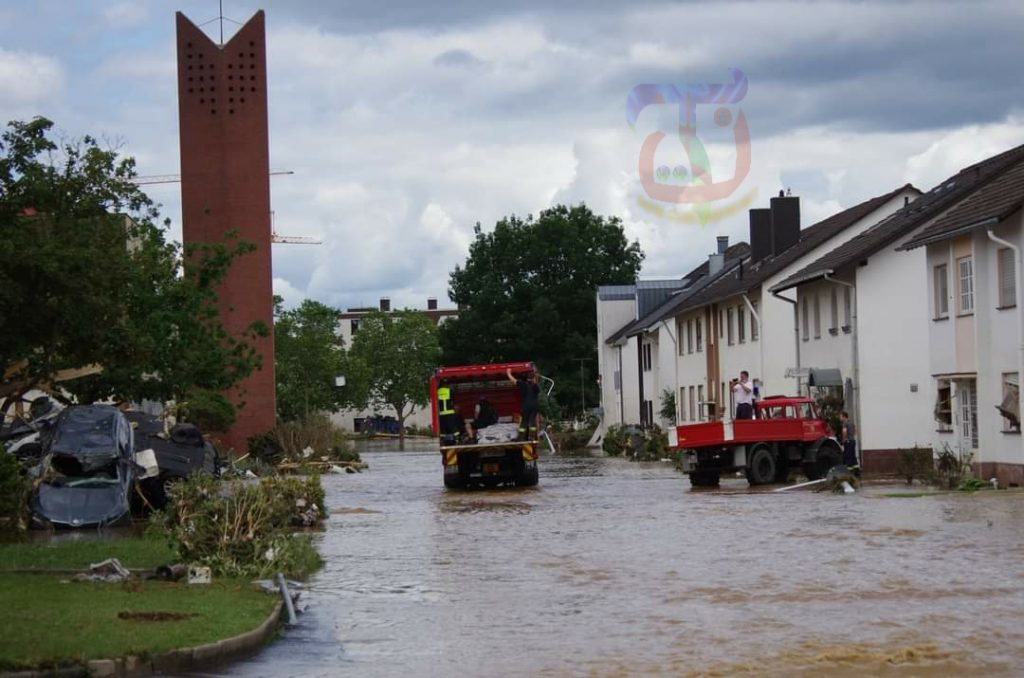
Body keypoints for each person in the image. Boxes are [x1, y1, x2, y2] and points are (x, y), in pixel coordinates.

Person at [507, 367, 540, 440]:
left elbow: (513, 380)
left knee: (524, 422)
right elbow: (537, 386)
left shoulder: (522, 384)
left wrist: (508, 373)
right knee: (532, 421)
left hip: (526, 406)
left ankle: (521, 437)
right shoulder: (535, 386)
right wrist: (535, 374)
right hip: (534, 406)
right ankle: (532, 437)